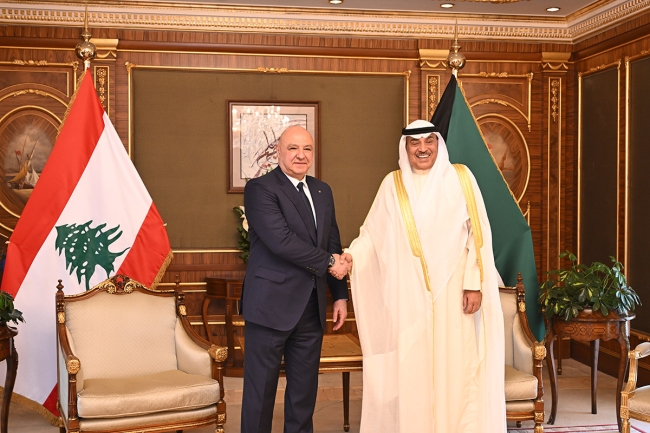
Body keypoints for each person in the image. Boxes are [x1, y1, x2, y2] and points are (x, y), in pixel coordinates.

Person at [341, 120, 506, 432]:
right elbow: (372, 235)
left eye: (429, 141)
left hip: (455, 295)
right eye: (415, 143)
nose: (422, 148)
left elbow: (478, 234)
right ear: (405, 148)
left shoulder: (461, 178)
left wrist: (474, 284)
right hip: (410, 297)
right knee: (414, 369)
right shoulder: (393, 185)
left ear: (438, 144)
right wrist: (351, 256)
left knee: (456, 366)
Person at [241, 125, 350, 433]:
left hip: (311, 309)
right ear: (278, 152)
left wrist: (340, 295)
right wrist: (331, 262)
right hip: (269, 308)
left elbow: (331, 241)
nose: (301, 155)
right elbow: (281, 241)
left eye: (307, 149)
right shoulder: (260, 188)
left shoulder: (322, 190)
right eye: (293, 148)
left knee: (303, 396)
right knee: (260, 396)